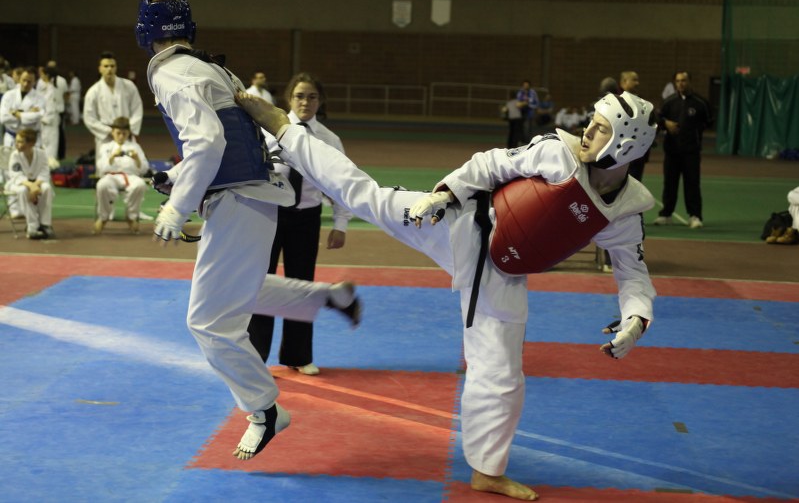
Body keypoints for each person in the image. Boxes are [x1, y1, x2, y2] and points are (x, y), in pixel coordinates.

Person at [239, 89, 658, 501]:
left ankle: (487, 472)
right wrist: (445, 192)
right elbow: (491, 163)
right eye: (591, 122)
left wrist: (635, 318)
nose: (586, 132)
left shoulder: (625, 211)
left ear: (627, 143)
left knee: (501, 373)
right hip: (455, 222)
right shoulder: (557, 152)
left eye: (600, 129)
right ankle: (284, 131)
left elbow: (633, 272)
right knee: (363, 194)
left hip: (501, 271)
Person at [135, 0, 363, 461]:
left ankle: (264, 410)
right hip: (255, 193)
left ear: (144, 32)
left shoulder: (173, 75)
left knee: (207, 321)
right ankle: (328, 297)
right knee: (242, 290)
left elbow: (210, 144)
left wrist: (177, 207)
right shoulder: (210, 66)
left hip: (240, 198)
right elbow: (229, 139)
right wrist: (174, 177)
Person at [247, 72, 352, 376]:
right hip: (269, 215)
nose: (305, 102)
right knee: (262, 284)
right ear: (289, 100)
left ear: (321, 101)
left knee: (302, 285)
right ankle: (256, 356)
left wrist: (340, 224)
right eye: (299, 96)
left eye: (312, 96)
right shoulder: (267, 132)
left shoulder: (329, 140)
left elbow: (340, 185)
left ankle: (298, 354)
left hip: (306, 218)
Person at [653, 71, 712, 229]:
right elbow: (658, 119)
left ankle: (695, 216)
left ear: (689, 81)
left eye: (684, 80)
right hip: (671, 151)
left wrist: (694, 131)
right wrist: (666, 123)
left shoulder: (700, 103)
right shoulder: (669, 102)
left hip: (691, 152)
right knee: (669, 184)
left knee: (692, 184)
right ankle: (666, 214)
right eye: (678, 81)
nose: (681, 84)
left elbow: (709, 121)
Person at [93, 117, 149, 235]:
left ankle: (131, 216)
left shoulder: (135, 147)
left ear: (128, 133)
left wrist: (137, 159)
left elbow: (144, 168)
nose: (121, 136)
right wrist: (112, 157)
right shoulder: (105, 147)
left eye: (124, 133)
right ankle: (103, 217)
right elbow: (101, 167)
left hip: (130, 176)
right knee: (102, 185)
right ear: (112, 132)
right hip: (111, 176)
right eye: (118, 133)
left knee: (140, 185)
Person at [83, 51, 144, 150]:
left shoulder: (128, 86)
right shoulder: (93, 91)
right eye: (106, 66)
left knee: (129, 163)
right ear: (100, 69)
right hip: (105, 137)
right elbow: (89, 118)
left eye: (112, 66)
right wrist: (109, 131)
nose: (109, 69)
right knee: (106, 164)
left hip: (126, 134)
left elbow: (137, 109)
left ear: (116, 67)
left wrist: (127, 129)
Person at [4, 128, 55, 239]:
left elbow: (45, 171)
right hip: (18, 183)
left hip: (38, 182)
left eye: (21, 141)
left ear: (31, 143)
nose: (17, 144)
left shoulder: (41, 153)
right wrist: (31, 186)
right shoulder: (15, 155)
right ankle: (32, 226)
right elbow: (16, 175)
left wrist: (35, 184)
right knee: (23, 190)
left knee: (46, 188)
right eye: (16, 141)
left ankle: (45, 224)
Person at [0, 67, 45, 149]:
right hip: (11, 137)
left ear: (34, 82)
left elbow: (37, 116)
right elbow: (3, 118)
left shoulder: (40, 98)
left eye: (29, 81)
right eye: (23, 80)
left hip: (30, 140)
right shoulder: (9, 95)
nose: (25, 84)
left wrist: (15, 113)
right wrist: (27, 113)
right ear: (19, 79)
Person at [620, 71, 650, 182]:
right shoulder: (616, 101)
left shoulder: (643, 102)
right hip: (621, 151)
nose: (637, 83)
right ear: (623, 82)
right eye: (634, 80)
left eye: (638, 80)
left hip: (638, 152)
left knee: (635, 183)